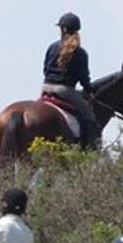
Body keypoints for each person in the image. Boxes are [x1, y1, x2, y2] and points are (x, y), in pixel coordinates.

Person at [42, 12, 98, 148]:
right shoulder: (80, 52)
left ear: (63, 29)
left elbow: (45, 69)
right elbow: (84, 78)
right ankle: (89, 150)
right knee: (90, 118)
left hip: (46, 88)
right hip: (65, 90)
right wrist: (89, 91)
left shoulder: (52, 47)